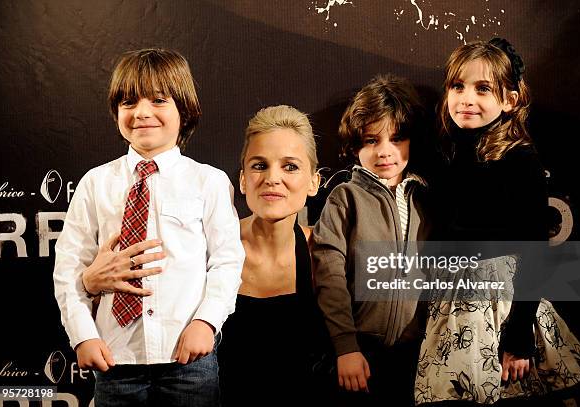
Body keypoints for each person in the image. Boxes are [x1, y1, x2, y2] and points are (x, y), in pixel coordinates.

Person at [53, 48, 245, 407]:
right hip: (115, 358)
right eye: (128, 102)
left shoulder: (208, 182)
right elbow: (68, 268)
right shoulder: (96, 183)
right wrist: (81, 336)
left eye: (158, 100)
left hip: (188, 360)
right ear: (116, 113)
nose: (142, 112)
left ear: (184, 110)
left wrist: (206, 322)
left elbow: (227, 262)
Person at [413, 38, 580, 405]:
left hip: (503, 306)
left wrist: (519, 337)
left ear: (509, 100)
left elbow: (535, 251)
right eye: (457, 86)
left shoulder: (520, 160)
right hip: (455, 300)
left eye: (483, 89)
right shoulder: (450, 149)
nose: (466, 98)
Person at [310, 74, 433, 406]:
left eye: (396, 139)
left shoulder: (426, 199)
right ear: (354, 146)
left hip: (417, 353)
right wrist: (346, 346)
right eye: (371, 140)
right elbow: (329, 275)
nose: (385, 152)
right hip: (359, 351)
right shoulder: (345, 198)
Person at [216, 105, 331, 406]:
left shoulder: (325, 255)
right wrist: (91, 282)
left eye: (290, 166)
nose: (272, 178)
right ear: (242, 179)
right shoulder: (210, 247)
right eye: (259, 165)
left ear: (313, 182)